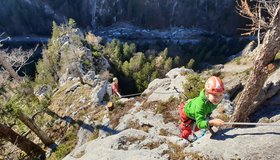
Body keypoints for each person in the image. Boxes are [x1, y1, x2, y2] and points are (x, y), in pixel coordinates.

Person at [179, 76, 225, 141]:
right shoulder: (201, 105)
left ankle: (183, 126)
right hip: (185, 113)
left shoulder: (213, 101)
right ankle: (182, 137)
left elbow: (208, 108)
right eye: (214, 95)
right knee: (191, 129)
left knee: (199, 122)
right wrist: (211, 122)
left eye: (220, 95)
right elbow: (200, 124)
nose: (217, 98)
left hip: (193, 108)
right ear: (206, 94)